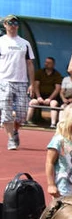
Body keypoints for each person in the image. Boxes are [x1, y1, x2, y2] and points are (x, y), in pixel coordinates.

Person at [1, 15, 34, 151]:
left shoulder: (25, 43)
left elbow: (30, 63)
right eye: (10, 23)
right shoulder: (1, 42)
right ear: (5, 25)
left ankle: (15, 131)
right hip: (4, 81)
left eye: (15, 22)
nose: (13, 25)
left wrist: (32, 83)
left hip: (21, 81)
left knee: (22, 113)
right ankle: (10, 139)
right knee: (6, 112)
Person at [27, 56, 63, 127]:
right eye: (46, 62)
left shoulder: (57, 74)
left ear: (53, 64)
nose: (46, 64)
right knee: (32, 102)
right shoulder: (39, 72)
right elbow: (36, 85)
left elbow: (57, 89)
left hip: (51, 97)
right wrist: (39, 97)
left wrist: (50, 99)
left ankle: (53, 124)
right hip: (40, 95)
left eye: (49, 63)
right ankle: (27, 121)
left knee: (54, 104)